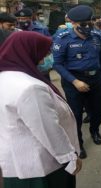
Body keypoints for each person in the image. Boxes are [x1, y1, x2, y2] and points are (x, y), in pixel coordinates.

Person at [0, 31, 82, 188]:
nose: (45, 60)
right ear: (28, 52)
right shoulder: (30, 88)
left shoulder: (5, 76)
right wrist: (69, 158)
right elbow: (48, 130)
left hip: (16, 164)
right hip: (43, 168)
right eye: (42, 54)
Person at [52, 5, 101, 159]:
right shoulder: (63, 38)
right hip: (74, 80)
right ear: (73, 23)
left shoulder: (97, 37)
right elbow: (57, 64)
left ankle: (95, 131)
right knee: (76, 114)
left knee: (97, 110)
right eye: (83, 24)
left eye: (89, 23)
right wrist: (75, 81)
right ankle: (78, 143)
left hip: (96, 78)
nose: (87, 27)